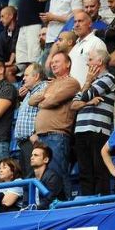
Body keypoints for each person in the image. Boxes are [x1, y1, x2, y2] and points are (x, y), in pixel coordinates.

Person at [29, 52, 80, 197]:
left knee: (59, 173)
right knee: (47, 177)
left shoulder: (72, 82)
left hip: (57, 135)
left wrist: (43, 100)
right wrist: (45, 98)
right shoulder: (52, 84)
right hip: (42, 137)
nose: (53, 64)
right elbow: (31, 101)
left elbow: (53, 101)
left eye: (57, 61)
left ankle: (66, 206)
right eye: (52, 62)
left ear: (68, 64)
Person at [71, 49, 115, 196]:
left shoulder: (108, 78)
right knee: (85, 171)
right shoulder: (91, 82)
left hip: (98, 130)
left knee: (99, 170)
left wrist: (85, 97)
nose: (87, 63)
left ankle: (102, 202)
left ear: (100, 62)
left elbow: (82, 97)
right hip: (81, 130)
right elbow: (73, 104)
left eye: (90, 60)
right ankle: (87, 202)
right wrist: (88, 102)